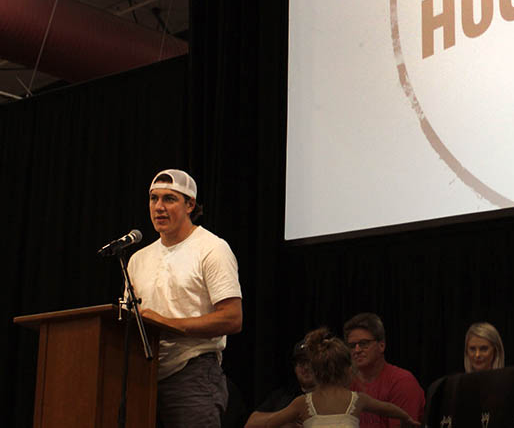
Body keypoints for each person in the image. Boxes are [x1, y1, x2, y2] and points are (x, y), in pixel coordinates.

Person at [127, 169, 243, 427]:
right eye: (153, 198)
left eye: (169, 199)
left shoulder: (212, 249)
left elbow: (232, 318)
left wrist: (167, 324)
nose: (159, 207)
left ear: (190, 205)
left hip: (192, 374)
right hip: (142, 376)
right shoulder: (137, 259)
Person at [245, 327, 421, 428]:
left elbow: (265, 424)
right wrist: (408, 419)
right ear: (348, 370)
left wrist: (287, 421)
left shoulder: (302, 403)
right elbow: (388, 408)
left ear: (316, 371)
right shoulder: (357, 399)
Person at [344, 313, 425, 428]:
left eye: (364, 344)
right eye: (352, 346)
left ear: (381, 345)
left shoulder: (402, 381)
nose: (357, 350)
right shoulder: (345, 381)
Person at [251, 338, 318, 426]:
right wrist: (288, 415)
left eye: (310, 362)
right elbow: (251, 423)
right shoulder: (283, 395)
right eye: (301, 362)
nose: (306, 367)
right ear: (295, 367)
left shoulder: (330, 396)